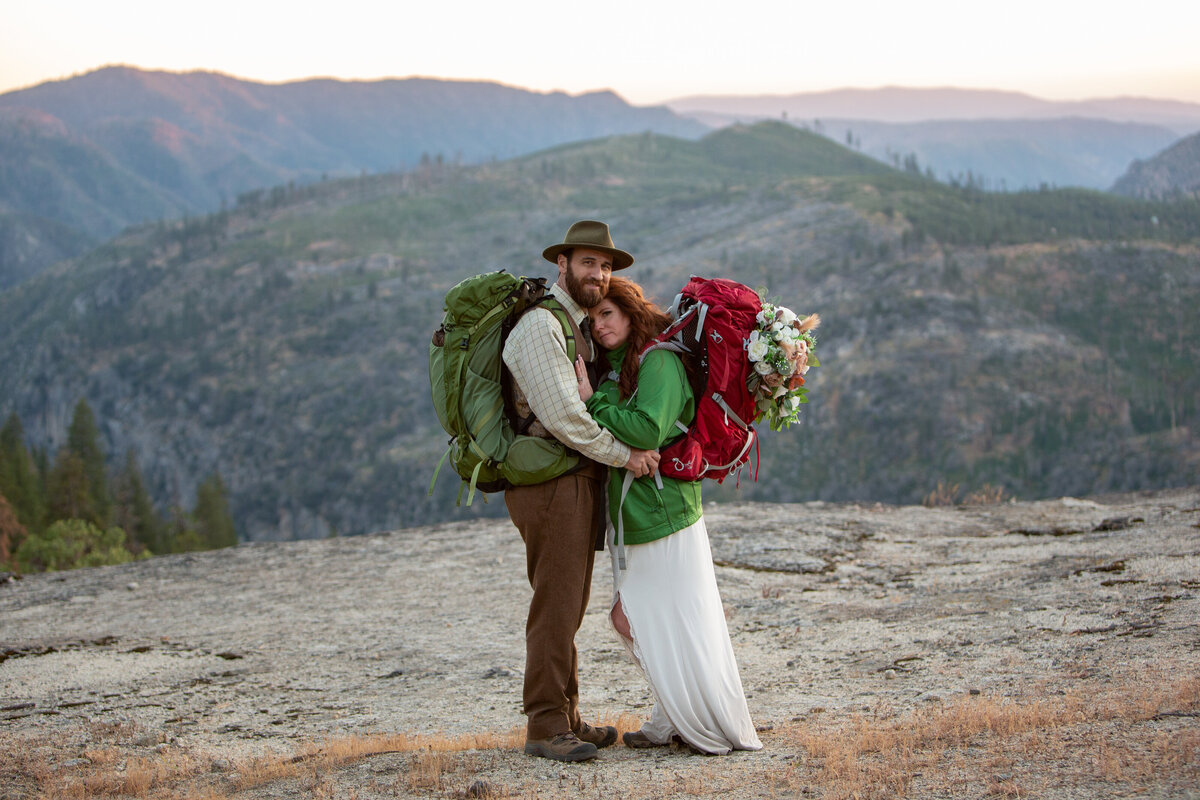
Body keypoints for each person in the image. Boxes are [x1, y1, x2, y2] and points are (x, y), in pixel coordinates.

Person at [573, 276, 762, 756]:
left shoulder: (657, 360)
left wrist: (588, 401)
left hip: (664, 511)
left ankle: (690, 720)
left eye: (607, 315)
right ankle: (670, 717)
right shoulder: (621, 369)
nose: (598, 326)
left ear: (631, 313)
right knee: (657, 619)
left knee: (633, 617)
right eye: (592, 319)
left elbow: (647, 429)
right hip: (644, 512)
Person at [502, 221, 661, 763]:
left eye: (607, 266)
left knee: (567, 603)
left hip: (570, 480)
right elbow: (566, 419)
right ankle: (545, 724)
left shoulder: (574, 325)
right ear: (563, 264)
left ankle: (567, 715)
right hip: (550, 483)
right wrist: (626, 455)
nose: (599, 274)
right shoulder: (540, 327)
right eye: (589, 263)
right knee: (557, 604)